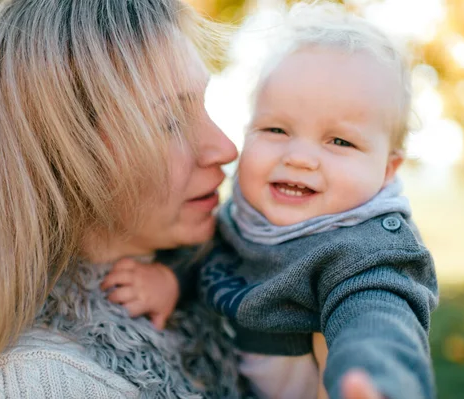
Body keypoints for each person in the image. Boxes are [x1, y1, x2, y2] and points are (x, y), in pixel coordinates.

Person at [0, 0, 246, 397]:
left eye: (202, 106)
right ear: (67, 160)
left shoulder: (228, 280)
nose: (225, 148)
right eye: (170, 122)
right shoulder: (45, 382)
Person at [104, 3, 439, 399]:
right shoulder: (244, 216)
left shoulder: (365, 253)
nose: (299, 157)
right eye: (276, 129)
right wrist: (172, 279)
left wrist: (378, 379)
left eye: (340, 141)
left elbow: (379, 321)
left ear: (387, 169)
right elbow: (217, 256)